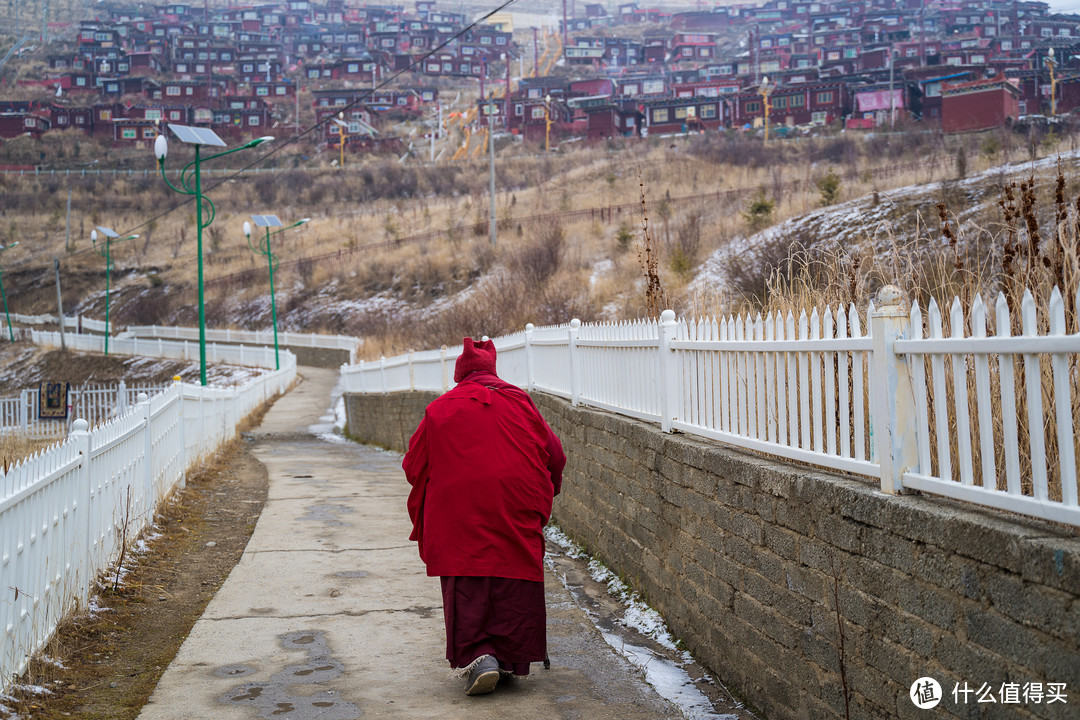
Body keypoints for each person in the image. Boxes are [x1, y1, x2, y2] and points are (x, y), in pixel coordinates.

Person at [403, 337, 566, 696]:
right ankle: (508, 658)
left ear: (460, 374)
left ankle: (481, 657)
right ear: (492, 370)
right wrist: (543, 492)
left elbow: (413, 465)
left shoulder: (440, 409)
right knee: (512, 572)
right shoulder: (520, 402)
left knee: (468, 575)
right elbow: (554, 454)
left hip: (458, 512)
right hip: (514, 502)